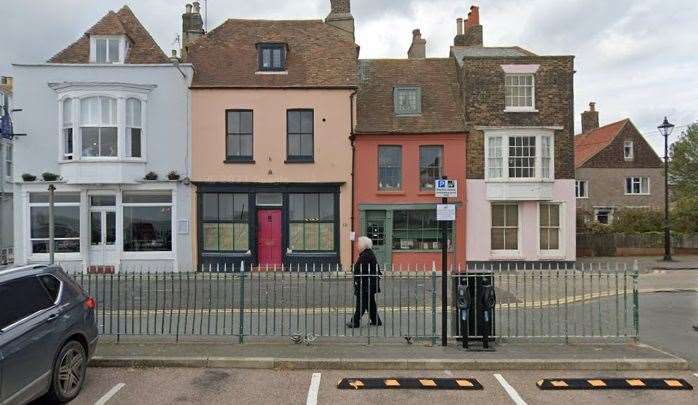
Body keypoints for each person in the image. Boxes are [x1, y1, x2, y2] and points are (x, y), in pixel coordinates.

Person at [347, 236, 382, 328]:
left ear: (363, 245)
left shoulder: (366, 255)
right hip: (368, 284)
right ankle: (376, 320)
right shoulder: (366, 254)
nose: (357, 246)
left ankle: (355, 322)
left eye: (359, 244)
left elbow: (362, 270)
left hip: (365, 285)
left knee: (361, 303)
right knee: (370, 303)